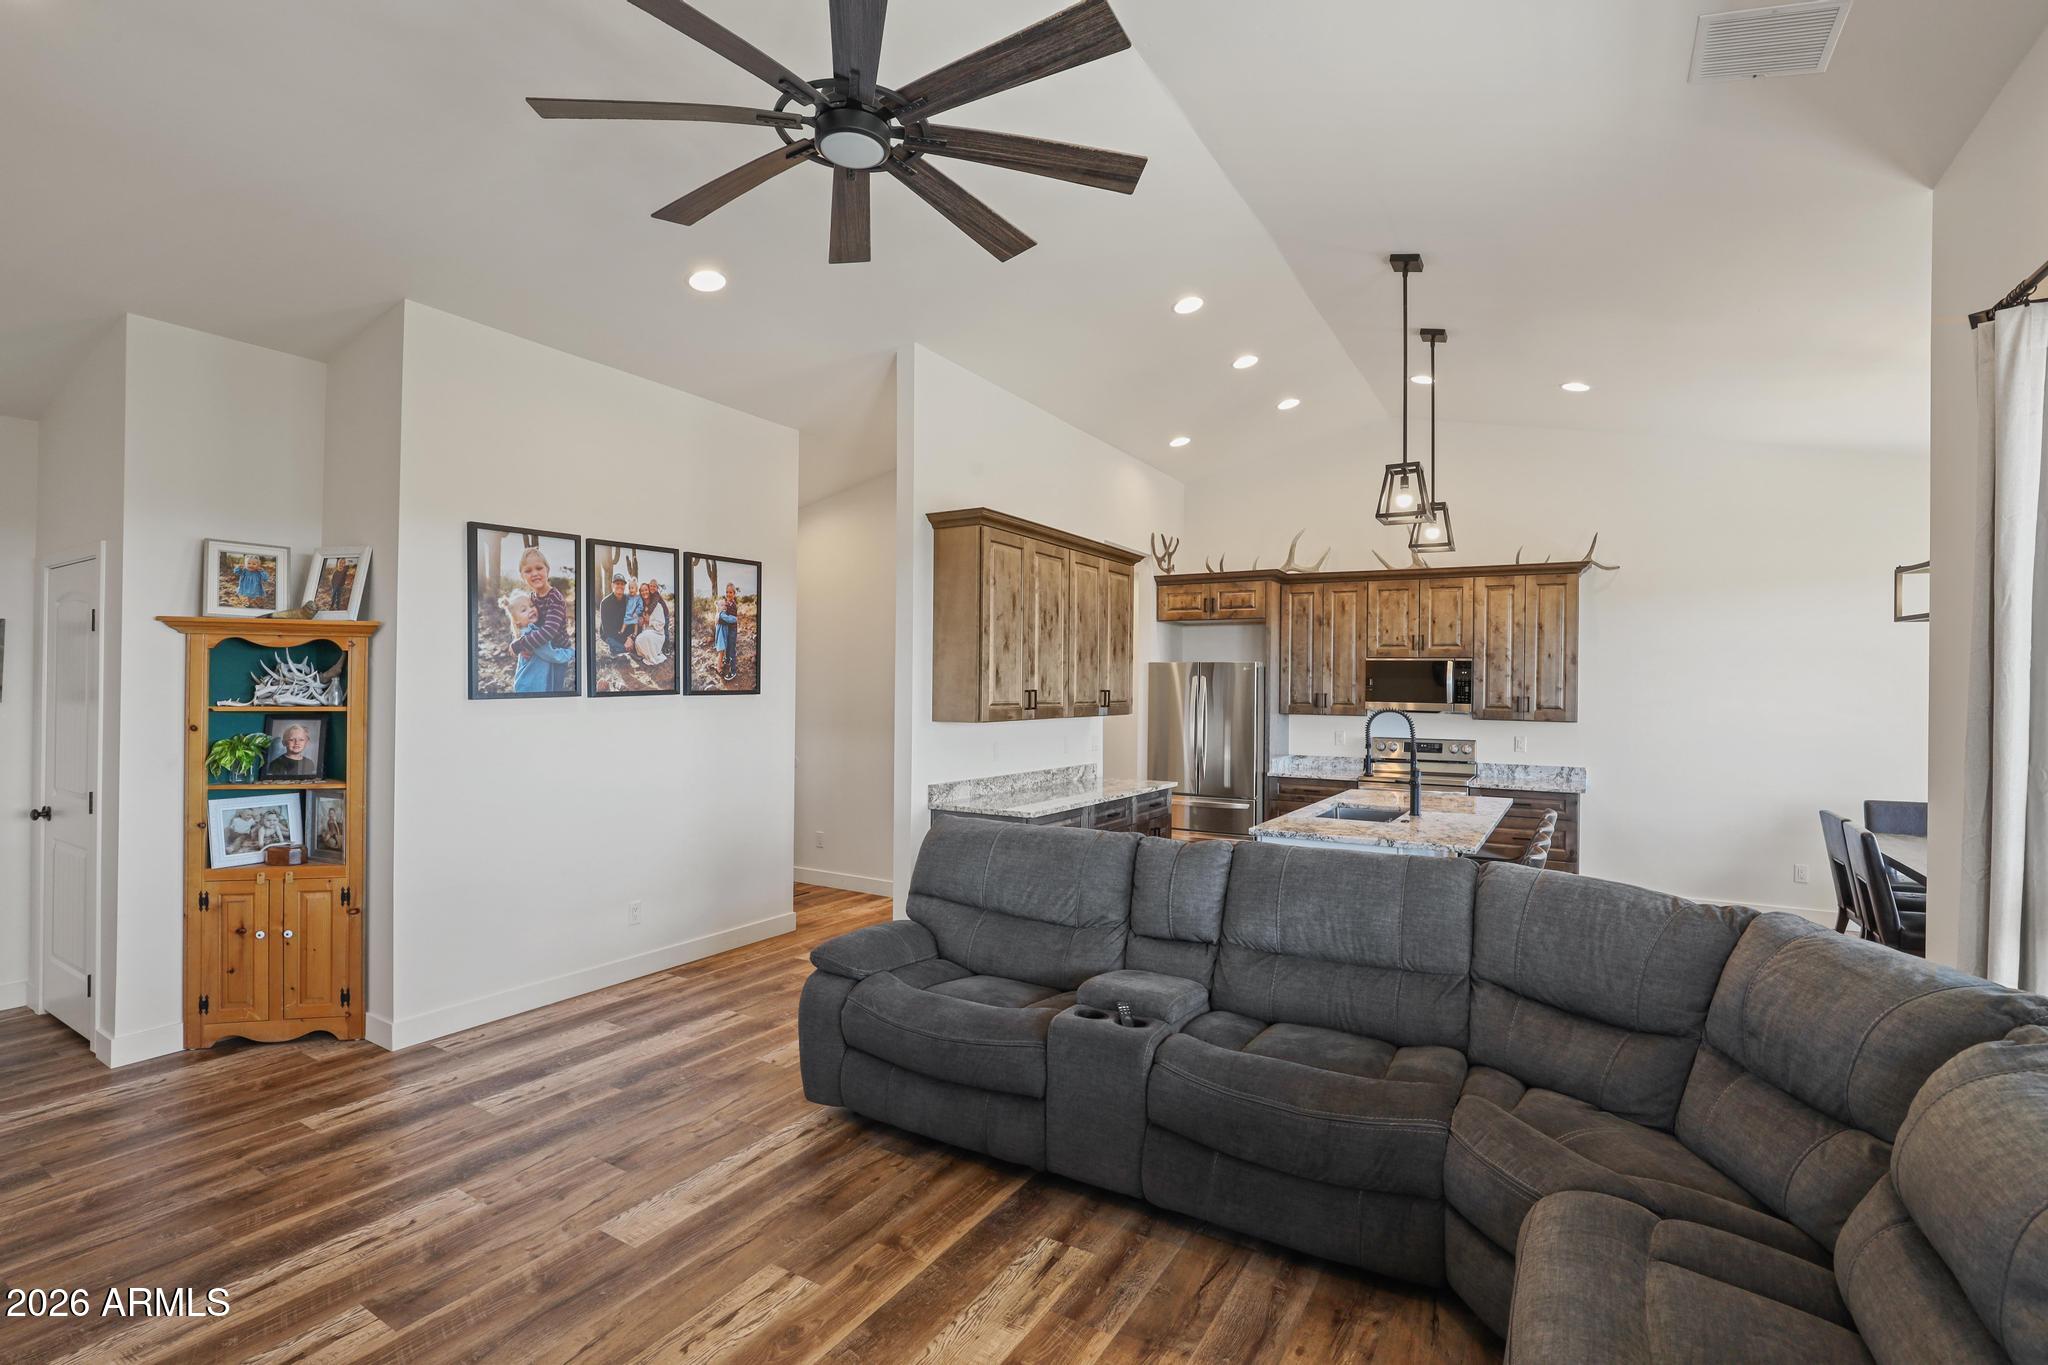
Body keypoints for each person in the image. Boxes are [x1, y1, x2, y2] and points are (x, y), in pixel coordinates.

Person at [508, 546, 575, 693]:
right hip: (540, 650)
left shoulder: (554, 598)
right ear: (522, 576)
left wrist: (520, 644)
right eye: (528, 570)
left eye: (539, 568)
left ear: (547, 570)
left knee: (554, 690)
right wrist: (520, 642)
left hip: (557, 651)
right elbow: (521, 622)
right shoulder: (531, 598)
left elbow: (549, 631)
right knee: (537, 685)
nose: (535, 574)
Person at [634, 578, 671, 663]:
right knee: (640, 638)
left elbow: (653, 607)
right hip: (648, 630)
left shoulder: (656, 598)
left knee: (666, 632)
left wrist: (648, 618)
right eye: (642, 591)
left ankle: (666, 647)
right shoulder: (642, 603)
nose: (652, 588)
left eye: (646, 590)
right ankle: (643, 653)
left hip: (664, 617)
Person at [596, 568, 632, 653]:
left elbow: (631, 621)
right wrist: (625, 640)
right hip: (610, 634)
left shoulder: (628, 600)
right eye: (617, 583)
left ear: (624, 586)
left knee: (634, 646)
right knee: (623, 649)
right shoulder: (605, 603)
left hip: (624, 633)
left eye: (622, 584)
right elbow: (608, 630)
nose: (620, 586)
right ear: (612, 585)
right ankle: (616, 648)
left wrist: (630, 638)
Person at [714, 582, 742, 681]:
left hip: (732, 631)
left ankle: (733, 671)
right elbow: (722, 610)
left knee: (732, 650)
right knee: (728, 647)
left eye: (730, 592)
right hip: (728, 630)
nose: (728, 594)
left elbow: (730, 618)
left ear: (734, 593)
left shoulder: (733, 604)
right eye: (727, 592)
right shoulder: (727, 603)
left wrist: (719, 618)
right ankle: (727, 661)